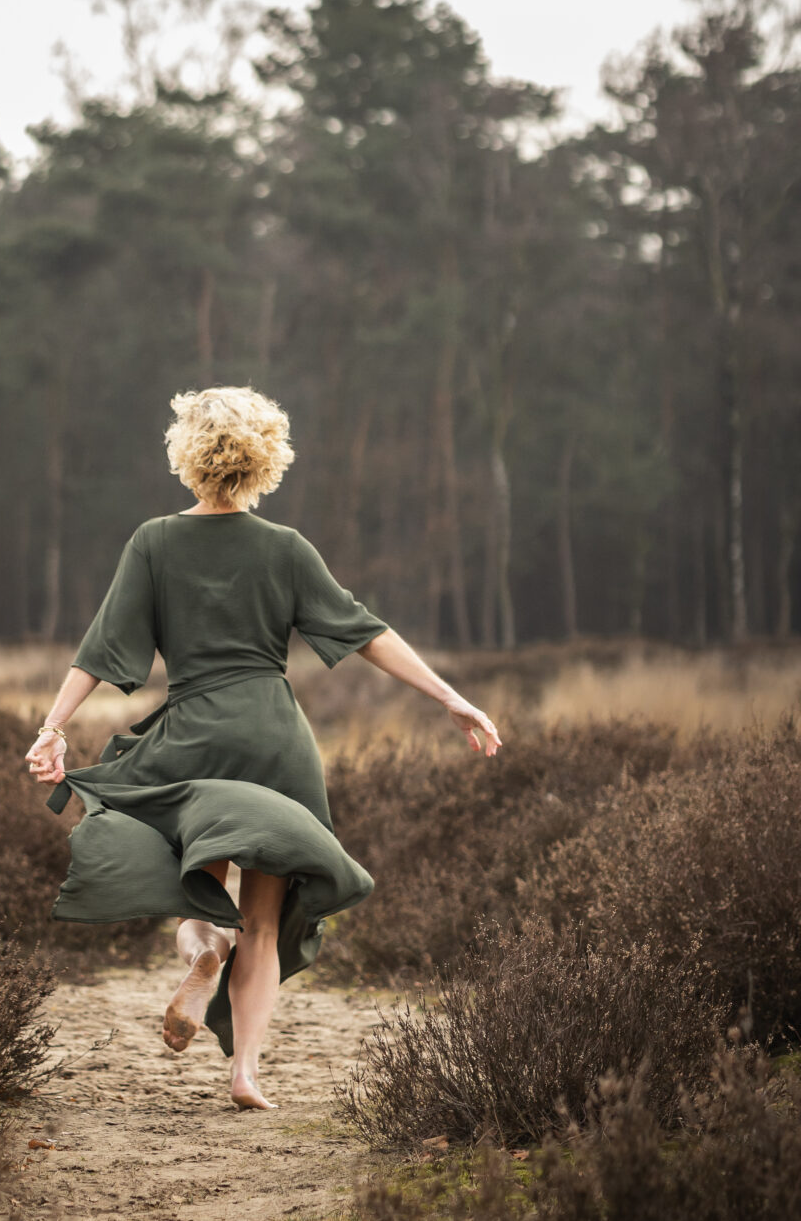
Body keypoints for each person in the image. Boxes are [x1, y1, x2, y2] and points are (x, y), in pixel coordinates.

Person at [26, 386, 501, 1111]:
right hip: (275, 741)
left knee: (200, 890)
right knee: (268, 919)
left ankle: (205, 949)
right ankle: (246, 1073)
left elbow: (100, 651)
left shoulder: (153, 541)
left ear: (187, 452)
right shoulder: (285, 548)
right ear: (264, 456)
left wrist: (52, 727)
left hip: (194, 737)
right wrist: (450, 697)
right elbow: (367, 631)